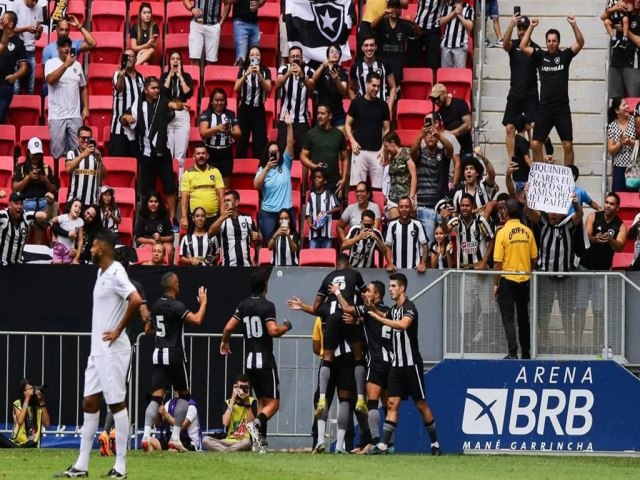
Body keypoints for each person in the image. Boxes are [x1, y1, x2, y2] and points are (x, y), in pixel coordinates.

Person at [55, 230, 143, 479]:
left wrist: (117, 329)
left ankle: (121, 466)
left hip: (113, 349)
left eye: (92, 246)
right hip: (97, 351)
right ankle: (82, 466)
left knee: (116, 404)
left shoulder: (116, 272)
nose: (89, 250)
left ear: (101, 249)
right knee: (89, 402)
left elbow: (135, 300)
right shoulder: (100, 272)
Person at [365, 273, 441, 455]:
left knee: (421, 405)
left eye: (393, 286)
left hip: (411, 365)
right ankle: (383, 445)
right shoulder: (394, 309)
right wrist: (372, 310)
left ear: (402, 288)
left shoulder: (410, 307)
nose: (390, 289)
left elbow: (403, 325)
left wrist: (380, 319)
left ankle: (435, 444)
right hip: (396, 365)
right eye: (389, 286)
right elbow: (385, 314)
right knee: (392, 403)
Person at [220, 268, 293, 453]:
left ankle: (260, 445)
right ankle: (256, 425)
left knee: (261, 403)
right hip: (266, 361)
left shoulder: (243, 305)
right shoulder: (267, 306)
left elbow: (228, 327)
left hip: (250, 361)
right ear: (265, 286)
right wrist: (286, 326)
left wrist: (224, 342)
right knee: (274, 404)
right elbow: (273, 331)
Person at [141, 272, 208, 452]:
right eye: (178, 282)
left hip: (158, 353)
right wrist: (203, 303)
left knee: (156, 397)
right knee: (184, 395)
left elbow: (147, 329)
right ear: (173, 285)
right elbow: (197, 319)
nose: (179, 286)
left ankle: (146, 435)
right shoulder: (176, 305)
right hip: (174, 354)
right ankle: (175, 437)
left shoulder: (156, 305)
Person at [121, 76, 188, 225]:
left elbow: (174, 105)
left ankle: (171, 219)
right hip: (146, 154)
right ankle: (146, 220)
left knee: (170, 187)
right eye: (153, 88)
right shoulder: (138, 104)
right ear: (145, 90)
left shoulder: (163, 101)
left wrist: (179, 105)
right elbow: (122, 119)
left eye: (158, 88)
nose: (157, 90)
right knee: (146, 190)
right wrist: (127, 117)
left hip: (164, 153)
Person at [520, 16, 584, 165]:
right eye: (548, 41)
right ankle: (541, 174)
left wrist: (574, 25)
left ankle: (569, 178)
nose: (551, 44)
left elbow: (580, 43)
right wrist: (531, 27)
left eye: (554, 41)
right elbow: (523, 46)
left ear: (558, 42)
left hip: (562, 108)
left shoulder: (565, 56)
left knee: (567, 145)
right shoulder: (540, 56)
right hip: (545, 108)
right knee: (536, 145)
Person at [525, 193, 583, 354]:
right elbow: (529, 211)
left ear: (563, 212)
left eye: (556, 211)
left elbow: (579, 215)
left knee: (567, 312)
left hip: (566, 275)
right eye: (550, 210)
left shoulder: (569, 224)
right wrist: (529, 196)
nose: (552, 214)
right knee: (543, 312)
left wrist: (576, 204)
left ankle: (569, 344)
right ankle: (543, 342)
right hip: (545, 275)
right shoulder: (543, 222)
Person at [441, 193, 495, 349]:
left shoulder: (481, 221)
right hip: (465, 272)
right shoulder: (456, 221)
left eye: (467, 205)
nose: (464, 208)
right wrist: (444, 218)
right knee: (466, 310)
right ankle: (467, 341)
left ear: (473, 207)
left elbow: (492, 237)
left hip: (481, 272)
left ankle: (488, 340)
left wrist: (485, 261)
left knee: (487, 309)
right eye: (462, 205)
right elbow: (445, 230)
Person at [575, 192, 627, 353]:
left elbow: (620, 246)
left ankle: (597, 346)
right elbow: (585, 237)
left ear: (617, 207)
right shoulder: (593, 216)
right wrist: (596, 239)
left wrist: (609, 239)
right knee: (580, 309)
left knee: (599, 312)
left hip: (603, 272)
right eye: (606, 202)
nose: (608, 206)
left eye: (612, 204)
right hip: (585, 268)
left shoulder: (621, 225)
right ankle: (577, 345)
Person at [493, 198, 538, 359]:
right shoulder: (528, 231)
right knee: (523, 317)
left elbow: (498, 263)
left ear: (505, 211)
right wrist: (528, 270)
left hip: (507, 279)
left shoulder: (502, 232)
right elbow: (534, 258)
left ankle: (513, 352)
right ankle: (526, 352)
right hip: (524, 279)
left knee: (508, 317)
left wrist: (495, 284)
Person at [502, 15, 541, 160]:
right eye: (520, 29)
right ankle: (513, 162)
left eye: (524, 29)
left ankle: (537, 165)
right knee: (509, 128)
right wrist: (511, 25)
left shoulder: (535, 49)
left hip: (530, 94)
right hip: (515, 94)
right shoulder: (513, 45)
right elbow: (505, 45)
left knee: (536, 129)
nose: (522, 32)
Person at [44, 36, 88, 160]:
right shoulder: (50, 63)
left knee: (78, 152)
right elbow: (50, 80)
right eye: (64, 46)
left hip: (75, 115)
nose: (67, 49)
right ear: (58, 48)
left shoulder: (77, 65)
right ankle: (58, 178)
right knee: (57, 154)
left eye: (69, 46)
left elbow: (83, 87)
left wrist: (86, 107)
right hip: (57, 116)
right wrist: (66, 65)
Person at [346, 71, 391, 190]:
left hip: (377, 152)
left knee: (378, 189)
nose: (376, 89)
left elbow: (387, 129)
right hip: (359, 151)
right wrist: (352, 141)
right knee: (357, 189)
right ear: (367, 84)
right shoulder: (356, 103)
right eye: (373, 85)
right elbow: (347, 124)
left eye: (378, 86)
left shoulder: (383, 105)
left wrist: (383, 148)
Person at [410, 119, 454, 243]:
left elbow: (450, 149)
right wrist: (420, 136)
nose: (430, 137)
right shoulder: (420, 154)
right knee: (428, 245)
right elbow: (411, 152)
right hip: (424, 207)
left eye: (432, 135)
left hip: (442, 207)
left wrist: (439, 135)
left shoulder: (443, 153)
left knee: (445, 245)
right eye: (427, 135)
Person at [254, 111, 294, 242]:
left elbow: (290, 144)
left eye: (276, 152)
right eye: (271, 153)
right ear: (267, 154)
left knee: (288, 244)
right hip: (269, 214)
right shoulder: (262, 169)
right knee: (269, 244)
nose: (274, 155)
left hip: (286, 212)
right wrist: (267, 168)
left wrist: (289, 126)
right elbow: (256, 185)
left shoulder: (285, 163)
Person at [300, 104, 349, 199]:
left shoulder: (339, 134)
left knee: (334, 212)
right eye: (318, 113)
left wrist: (344, 178)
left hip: (335, 182)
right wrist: (315, 167)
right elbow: (303, 157)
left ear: (330, 116)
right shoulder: (311, 134)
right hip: (317, 182)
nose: (319, 116)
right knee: (317, 213)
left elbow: (345, 158)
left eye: (322, 113)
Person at [371, 0, 421, 88]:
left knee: (395, 94)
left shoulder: (404, 24)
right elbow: (372, 26)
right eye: (392, 7)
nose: (394, 10)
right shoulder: (383, 22)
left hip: (397, 67)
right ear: (388, 9)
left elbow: (418, 34)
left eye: (397, 8)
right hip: (383, 65)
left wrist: (413, 22)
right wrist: (383, 13)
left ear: (400, 10)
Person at [275, 46, 315, 158]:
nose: (295, 59)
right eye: (293, 57)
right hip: (285, 118)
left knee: (304, 154)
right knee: (283, 153)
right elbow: (277, 85)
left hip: (302, 119)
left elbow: (312, 88)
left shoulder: (309, 70)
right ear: (289, 59)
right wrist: (288, 73)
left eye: (298, 56)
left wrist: (302, 76)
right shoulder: (283, 69)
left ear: (302, 58)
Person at [161, 51, 194, 180]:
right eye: (173, 59)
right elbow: (162, 92)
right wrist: (170, 75)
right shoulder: (164, 76)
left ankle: (180, 188)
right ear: (169, 62)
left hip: (182, 115)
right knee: (169, 153)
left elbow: (188, 93)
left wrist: (180, 76)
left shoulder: (186, 76)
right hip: (168, 115)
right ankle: (170, 183)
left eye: (178, 59)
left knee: (180, 156)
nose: (175, 61)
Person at [234, 45, 272, 158]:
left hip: (259, 110)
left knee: (260, 143)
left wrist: (259, 75)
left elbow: (268, 89)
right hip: (244, 109)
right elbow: (236, 89)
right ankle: (240, 169)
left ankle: (259, 171)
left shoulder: (266, 71)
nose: (255, 57)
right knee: (241, 142)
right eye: (252, 55)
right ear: (248, 57)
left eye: (257, 54)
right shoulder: (243, 70)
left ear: (260, 57)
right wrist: (246, 74)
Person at [199, 87, 241, 188]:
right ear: (212, 102)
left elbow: (238, 134)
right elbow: (203, 133)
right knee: (209, 185)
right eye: (216, 100)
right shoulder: (206, 114)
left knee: (225, 186)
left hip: (226, 154)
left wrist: (229, 131)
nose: (219, 103)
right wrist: (217, 128)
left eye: (222, 100)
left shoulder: (230, 114)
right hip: (210, 153)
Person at [202, 374, 256, 452]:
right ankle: (229, 451)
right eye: (241, 387)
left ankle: (224, 451)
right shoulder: (228, 403)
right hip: (229, 440)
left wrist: (247, 402)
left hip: (243, 441)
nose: (243, 390)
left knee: (247, 442)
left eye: (246, 388)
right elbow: (225, 423)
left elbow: (252, 424)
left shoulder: (252, 401)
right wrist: (233, 400)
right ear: (235, 388)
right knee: (206, 440)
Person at [208, 189, 261, 266]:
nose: (226, 203)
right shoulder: (221, 220)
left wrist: (256, 238)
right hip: (228, 265)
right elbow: (210, 234)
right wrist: (222, 217)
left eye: (228, 200)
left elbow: (257, 242)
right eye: (225, 201)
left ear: (236, 202)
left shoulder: (248, 219)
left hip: (246, 265)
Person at [180, 144, 225, 231]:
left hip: (213, 217)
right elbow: (184, 197)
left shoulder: (215, 172)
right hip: (195, 218)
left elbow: (221, 195)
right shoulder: (187, 174)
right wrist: (184, 217)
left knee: (215, 243)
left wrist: (222, 215)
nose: (201, 156)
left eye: (203, 153)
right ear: (194, 156)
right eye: (198, 153)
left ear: (207, 156)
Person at [109, 50, 144, 158]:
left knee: (135, 164)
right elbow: (118, 89)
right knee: (118, 164)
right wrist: (121, 75)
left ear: (136, 60)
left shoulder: (140, 77)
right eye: (126, 56)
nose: (128, 58)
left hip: (135, 129)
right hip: (119, 130)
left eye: (131, 56)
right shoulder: (117, 74)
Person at [349, 35, 396, 116]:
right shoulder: (355, 67)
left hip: (381, 109)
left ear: (376, 47)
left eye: (372, 45)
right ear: (362, 48)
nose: (369, 48)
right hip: (362, 110)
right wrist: (356, 106)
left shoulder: (384, 64)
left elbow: (393, 87)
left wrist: (389, 107)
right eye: (366, 45)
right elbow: (351, 88)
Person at [0, 191, 49, 265]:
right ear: (9, 204)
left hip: (18, 264)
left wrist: (50, 203)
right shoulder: (3, 216)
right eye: (16, 203)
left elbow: (44, 216)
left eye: (21, 204)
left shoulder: (26, 216)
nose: (19, 207)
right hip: (2, 264)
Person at [0, 379, 51, 448]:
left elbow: (47, 424)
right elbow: (20, 421)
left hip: (32, 443)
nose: (32, 391)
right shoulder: (17, 403)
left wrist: (42, 402)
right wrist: (27, 399)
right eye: (29, 389)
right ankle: (18, 449)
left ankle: (18, 449)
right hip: (16, 443)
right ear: (24, 392)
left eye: (32, 388)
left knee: (31, 443)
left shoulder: (38, 406)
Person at [12, 137, 57, 213]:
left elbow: (54, 190)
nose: (36, 157)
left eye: (38, 154)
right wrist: (28, 178)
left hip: (44, 202)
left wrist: (46, 181)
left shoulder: (46, 168)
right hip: (26, 203)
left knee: (53, 205)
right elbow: (15, 189)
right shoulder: (21, 167)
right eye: (34, 154)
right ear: (28, 152)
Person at [384, 196, 430, 272]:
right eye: (401, 207)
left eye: (407, 207)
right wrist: (389, 263)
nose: (404, 209)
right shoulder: (392, 225)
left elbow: (425, 245)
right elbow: (388, 247)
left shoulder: (417, 224)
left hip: (414, 270)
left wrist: (423, 263)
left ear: (411, 208)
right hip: (396, 270)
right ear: (398, 208)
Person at [65, 126, 106, 207]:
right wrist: (82, 155)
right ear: (78, 138)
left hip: (91, 203)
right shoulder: (71, 153)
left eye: (88, 138)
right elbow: (68, 168)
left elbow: (103, 177)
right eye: (83, 138)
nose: (86, 140)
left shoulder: (96, 155)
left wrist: (100, 161)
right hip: (74, 202)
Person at [311, 44, 349, 129]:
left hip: (337, 111)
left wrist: (336, 80)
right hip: (322, 110)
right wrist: (322, 66)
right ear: (328, 55)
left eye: (337, 52)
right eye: (332, 52)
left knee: (341, 135)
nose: (334, 54)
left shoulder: (343, 71)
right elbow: (313, 79)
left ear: (340, 56)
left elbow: (343, 90)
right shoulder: (321, 68)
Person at [0, 10, 28, 124]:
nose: (1, 20)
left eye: (3, 19)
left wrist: (15, 76)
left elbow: (24, 67)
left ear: (10, 24)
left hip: (5, 85)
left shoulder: (19, 43)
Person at [381, 131, 416, 221]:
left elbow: (413, 175)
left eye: (386, 146)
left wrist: (411, 197)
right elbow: (384, 164)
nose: (386, 149)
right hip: (393, 198)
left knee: (409, 225)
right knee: (395, 225)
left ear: (392, 143)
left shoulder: (406, 152)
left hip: (406, 197)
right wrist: (385, 151)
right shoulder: (391, 157)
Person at [11, 0, 44, 94]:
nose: (35, 3)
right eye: (33, 0)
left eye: (37, 0)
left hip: (31, 50)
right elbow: (10, 30)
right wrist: (26, 28)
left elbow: (37, 37)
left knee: (31, 88)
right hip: (17, 50)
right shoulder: (17, 4)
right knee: (16, 88)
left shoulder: (39, 8)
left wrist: (39, 31)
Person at [429, 82, 472, 155]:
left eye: (438, 97)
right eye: (433, 99)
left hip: (465, 148)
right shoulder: (439, 113)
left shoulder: (460, 104)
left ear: (445, 94)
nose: (436, 101)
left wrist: (449, 134)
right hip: (451, 151)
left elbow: (468, 125)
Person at [135, 191, 175, 265]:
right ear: (147, 204)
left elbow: (171, 237)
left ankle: (169, 271)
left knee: (169, 248)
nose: (153, 204)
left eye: (156, 201)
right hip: (147, 242)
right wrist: (150, 241)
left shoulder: (164, 217)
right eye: (151, 201)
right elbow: (138, 238)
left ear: (159, 203)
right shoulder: (142, 217)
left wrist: (160, 239)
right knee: (148, 248)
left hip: (161, 242)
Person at [185, 0, 226, 67]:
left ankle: (210, 76)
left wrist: (221, 23)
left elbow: (228, 3)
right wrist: (192, 8)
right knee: (194, 58)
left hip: (213, 25)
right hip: (197, 23)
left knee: (211, 61)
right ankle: (194, 77)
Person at [607, 97, 636, 192]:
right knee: (619, 195)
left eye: (627, 104)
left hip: (635, 166)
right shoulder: (612, 126)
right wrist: (620, 143)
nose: (627, 106)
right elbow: (610, 150)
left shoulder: (635, 121)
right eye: (624, 105)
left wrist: (630, 142)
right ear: (617, 111)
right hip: (619, 167)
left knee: (635, 196)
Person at [306, 169, 340, 249]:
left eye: (319, 177)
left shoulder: (329, 193)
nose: (316, 179)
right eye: (315, 177)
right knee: (312, 259)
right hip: (314, 235)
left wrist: (326, 212)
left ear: (324, 181)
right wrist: (310, 224)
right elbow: (308, 214)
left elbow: (338, 207)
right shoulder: (311, 196)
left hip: (327, 236)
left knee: (326, 259)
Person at [406, 0, 445, 70]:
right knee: (411, 60)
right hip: (418, 26)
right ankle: (412, 79)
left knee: (433, 63)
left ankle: (433, 79)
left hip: (433, 28)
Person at [440, 0, 474, 68]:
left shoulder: (469, 8)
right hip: (446, 45)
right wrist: (453, 13)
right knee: (445, 75)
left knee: (459, 75)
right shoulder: (447, 6)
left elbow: (470, 27)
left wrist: (459, 15)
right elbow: (440, 22)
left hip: (460, 46)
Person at [51, 198, 84, 265]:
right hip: (58, 247)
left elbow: (80, 240)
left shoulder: (80, 221)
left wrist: (77, 258)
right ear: (70, 207)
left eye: (80, 208)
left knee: (67, 266)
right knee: (57, 264)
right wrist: (54, 235)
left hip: (69, 250)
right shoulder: (63, 217)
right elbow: (52, 222)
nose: (78, 208)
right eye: (75, 206)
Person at [229, 0, 262, 66]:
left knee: (254, 55)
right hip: (240, 23)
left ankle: (253, 75)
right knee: (241, 58)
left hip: (254, 23)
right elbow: (227, 1)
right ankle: (238, 75)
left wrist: (258, 3)